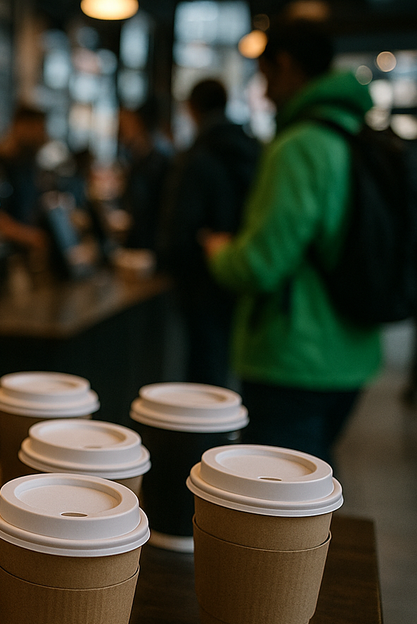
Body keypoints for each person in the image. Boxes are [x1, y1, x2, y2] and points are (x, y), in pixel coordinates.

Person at [203, 21, 380, 465]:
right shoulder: (357, 134)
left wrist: (220, 251)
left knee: (279, 503)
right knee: (313, 477)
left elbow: (261, 264)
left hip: (293, 356)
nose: (263, 91)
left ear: (284, 66)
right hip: (354, 350)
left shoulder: (299, 146)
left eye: (264, 76)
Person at [159, 79, 261, 387]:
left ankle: (204, 431)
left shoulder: (198, 154)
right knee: (227, 361)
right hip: (239, 268)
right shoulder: (250, 148)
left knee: (203, 366)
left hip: (200, 277)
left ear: (192, 107)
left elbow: (181, 223)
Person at [0, 105, 52, 262]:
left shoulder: (29, 162)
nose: (43, 136)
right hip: (0, 255)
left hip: (24, 254)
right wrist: (29, 236)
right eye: (38, 129)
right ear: (19, 126)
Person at [117, 98, 173, 252]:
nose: (121, 130)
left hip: (150, 245)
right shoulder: (139, 157)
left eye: (127, 124)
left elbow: (148, 207)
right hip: (146, 241)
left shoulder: (156, 159)